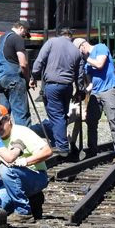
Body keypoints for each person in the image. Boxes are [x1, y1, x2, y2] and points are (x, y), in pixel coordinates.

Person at [0, 104, 52, 223]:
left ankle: (23, 212)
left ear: (8, 119)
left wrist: (24, 161)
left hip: (35, 176)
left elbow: (48, 151)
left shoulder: (22, 132)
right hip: (8, 184)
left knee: (6, 169)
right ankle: (32, 201)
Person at [30, 28, 82, 157]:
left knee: (56, 115)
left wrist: (33, 76)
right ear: (71, 37)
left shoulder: (51, 42)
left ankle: (62, 146)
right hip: (68, 87)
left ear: (60, 35)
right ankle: (57, 142)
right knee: (62, 116)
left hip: (53, 86)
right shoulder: (76, 50)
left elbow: (40, 60)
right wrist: (79, 90)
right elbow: (80, 74)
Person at [76, 36, 115, 169]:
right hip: (95, 92)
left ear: (82, 47)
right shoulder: (86, 63)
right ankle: (92, 151)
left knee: (113, 120)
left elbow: (99, 64)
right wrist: (85, 90)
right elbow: (91, 81)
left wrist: (85, 58)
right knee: (91, 121)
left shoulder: (100, 48)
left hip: (109, 89)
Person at [0, 20, 32, 127]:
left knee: (2, 115)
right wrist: (28, 79)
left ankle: (2, 141)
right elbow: (23, 63)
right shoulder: (17, 38)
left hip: (1, 80)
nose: (25, 36)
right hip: (14, 80)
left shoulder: (0, 38)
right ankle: (24, 142)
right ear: (21, 28)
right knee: (21, 115)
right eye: (25, 32)